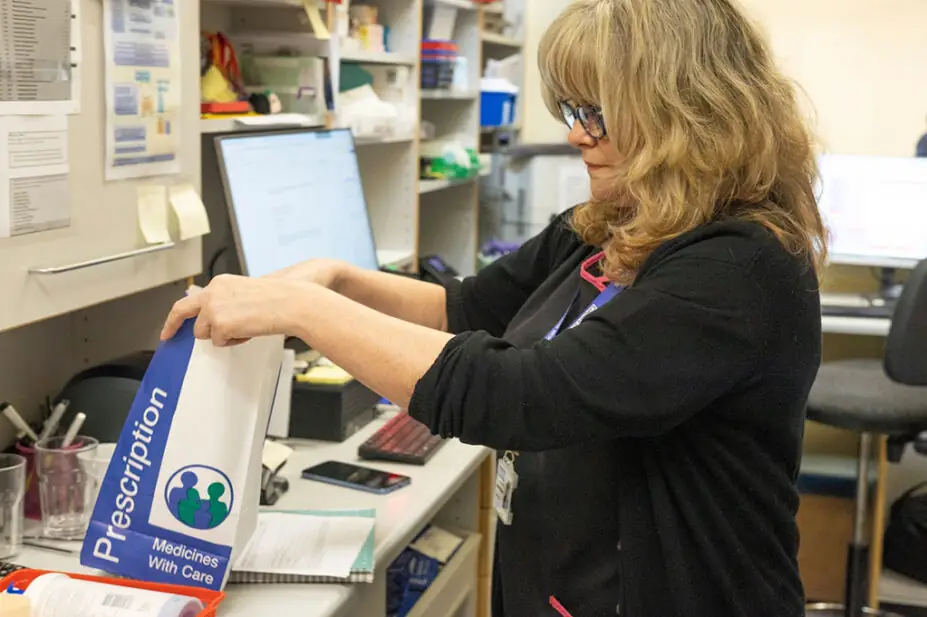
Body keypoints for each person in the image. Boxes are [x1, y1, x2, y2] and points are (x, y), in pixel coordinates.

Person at [160, 0, 825, 615]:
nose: (576, 135)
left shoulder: (737, 269)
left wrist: (302, 310)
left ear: (684, 110)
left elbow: (524, 395)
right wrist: (339, 279)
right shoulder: (612, 223)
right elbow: (469, 306)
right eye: (573, 110)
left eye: (597, 112)